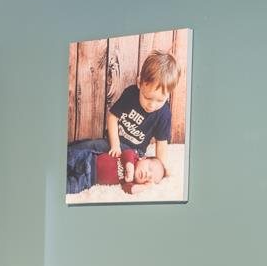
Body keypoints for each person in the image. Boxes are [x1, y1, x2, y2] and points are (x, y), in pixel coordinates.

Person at [66, 48, 181, 193]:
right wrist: (115, 145)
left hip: (134, 152)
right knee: (90, 145)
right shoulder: (131, 94)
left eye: (160, 100)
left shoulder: (164, 114)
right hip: (114, 141)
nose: (152, 105)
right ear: (140, 83)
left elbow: (161, 143)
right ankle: (65, 154)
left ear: (169, 95)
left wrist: (162, 169)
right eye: (147, 97)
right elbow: (113, 117)